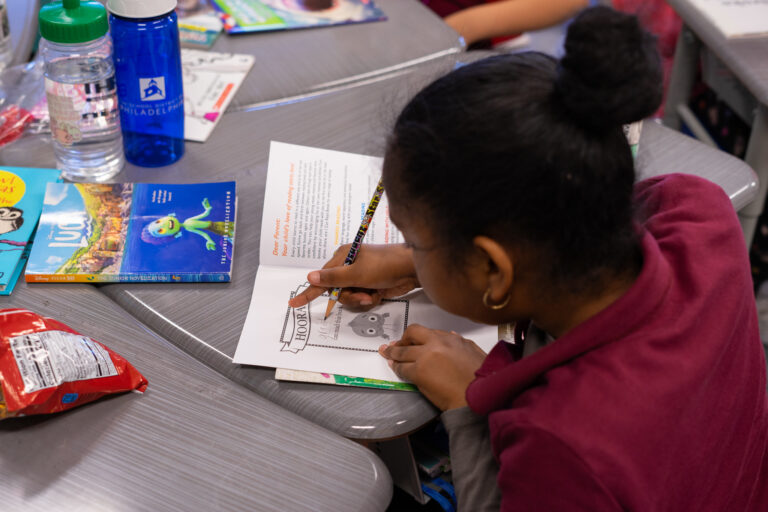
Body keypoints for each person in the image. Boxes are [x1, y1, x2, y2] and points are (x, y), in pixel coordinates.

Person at [290, 6, 768, 510]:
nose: (409, 249)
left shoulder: (562, 444)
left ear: (494, 271)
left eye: (415, 238)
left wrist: (467, 403)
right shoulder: (696, 210)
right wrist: (417, 263)